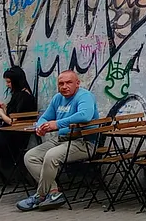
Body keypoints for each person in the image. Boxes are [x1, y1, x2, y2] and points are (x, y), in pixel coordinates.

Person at [17, 70, 99, 211]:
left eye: (68, 83)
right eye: (61, 83)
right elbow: (44, 117)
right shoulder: (57, 98)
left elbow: (85, 115)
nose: (64, 86)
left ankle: (40, 195)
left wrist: (57, 123)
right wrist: (40, 127)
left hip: (82, 142)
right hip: (61, 140)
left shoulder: (84, 96)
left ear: (77, 83)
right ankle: (53, 192)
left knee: (51, 156)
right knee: (30, 156)